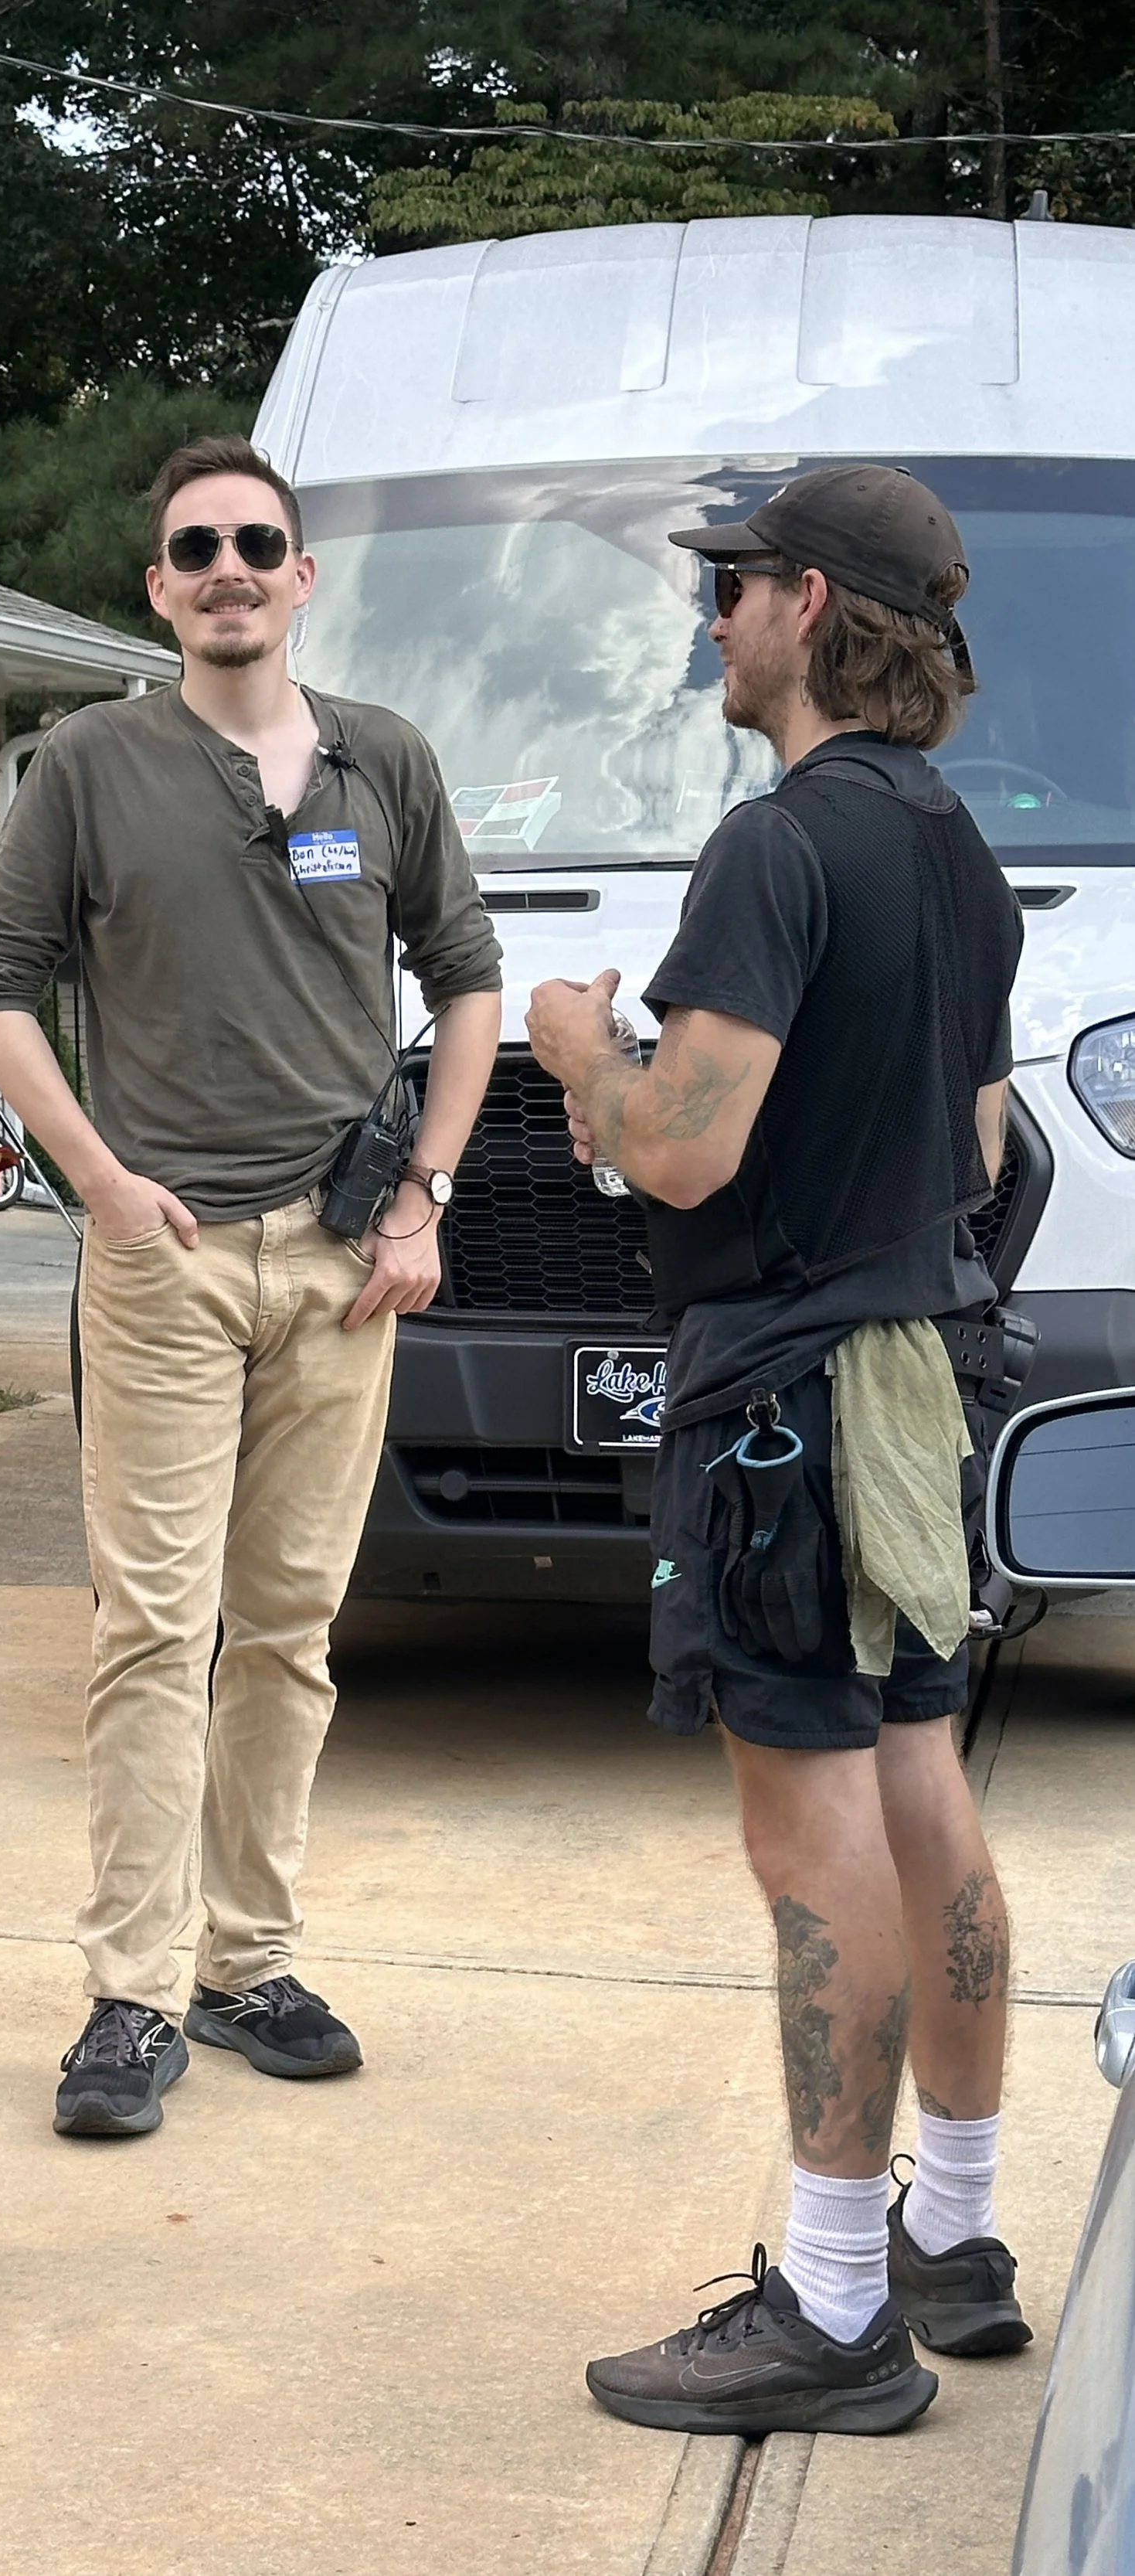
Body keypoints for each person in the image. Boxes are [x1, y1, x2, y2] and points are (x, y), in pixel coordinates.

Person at [527, 464, 1026, 2435]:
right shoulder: (954, 850)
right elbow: (980, 1149)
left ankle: (828, 2310)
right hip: (917, 1368)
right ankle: (954, 2239)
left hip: (784, 1404)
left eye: (727, 584)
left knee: (809, 1829)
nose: (707, 617)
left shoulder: (774, 846)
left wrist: (580, 1047)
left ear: (804, 605)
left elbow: (678, 1148)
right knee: (920, 1786)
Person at [0, 434, 503, 2138]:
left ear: (299, 573)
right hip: (167, 1264)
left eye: (255, 544)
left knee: (288, 1629)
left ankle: (246, 1959)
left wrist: (422, 1199)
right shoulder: (92, 766)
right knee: (152, 1628)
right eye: (193, 547)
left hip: (343, 1263)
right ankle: (130, 1992)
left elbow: (469, 982)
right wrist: (100, 1183)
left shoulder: (382, 762)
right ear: (155, 586)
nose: (226, 571)